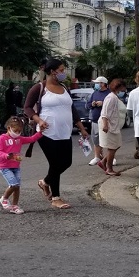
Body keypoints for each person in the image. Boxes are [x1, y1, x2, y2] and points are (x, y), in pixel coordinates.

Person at [24, 58, 89, 210]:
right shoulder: (39, 88)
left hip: (65, 132)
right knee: (55, 164)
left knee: (66, 162)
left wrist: (81, 127)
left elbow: (72, 109)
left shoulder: (64, 87)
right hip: (46, 133)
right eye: (61, 70)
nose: (63, 73)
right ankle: (56, 197)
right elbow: (27, 108)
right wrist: (38, 120)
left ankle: (45, 182)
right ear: (53, 72)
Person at [0, 116, 43, 214]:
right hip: (5, 166)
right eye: (15, 130)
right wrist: (6, 156)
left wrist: (40, 132)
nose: (17, 133)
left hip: (16, 166)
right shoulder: (2, 139)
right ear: (9, 128)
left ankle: (15, 205)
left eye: (19, 131)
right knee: (14, 184)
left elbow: (31, 139)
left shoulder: (19, 139)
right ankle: (4, 198)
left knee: (17, 186)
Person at [98, 78, 128, 176]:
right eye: (123, 87)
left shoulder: (114, 97)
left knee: (117, 144)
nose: (124, 89)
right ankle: (109, 168)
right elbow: (105, 113)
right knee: (112, 147)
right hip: (109, 126)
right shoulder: (111, 97)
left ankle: (104, 161)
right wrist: (105, 125)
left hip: (114, 126)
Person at [86, 76, 111, 166]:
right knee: (96, 139)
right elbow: (88, 105)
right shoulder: (94, 93)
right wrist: (92, 104)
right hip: (95, 120)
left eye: (98, 83)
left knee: (108, 139)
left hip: (106, 120)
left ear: (103, 83)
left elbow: (113, 105)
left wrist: (103, 103)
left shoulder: (109, 94)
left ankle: (110, 157)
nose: (96, 85)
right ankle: (97, 156)